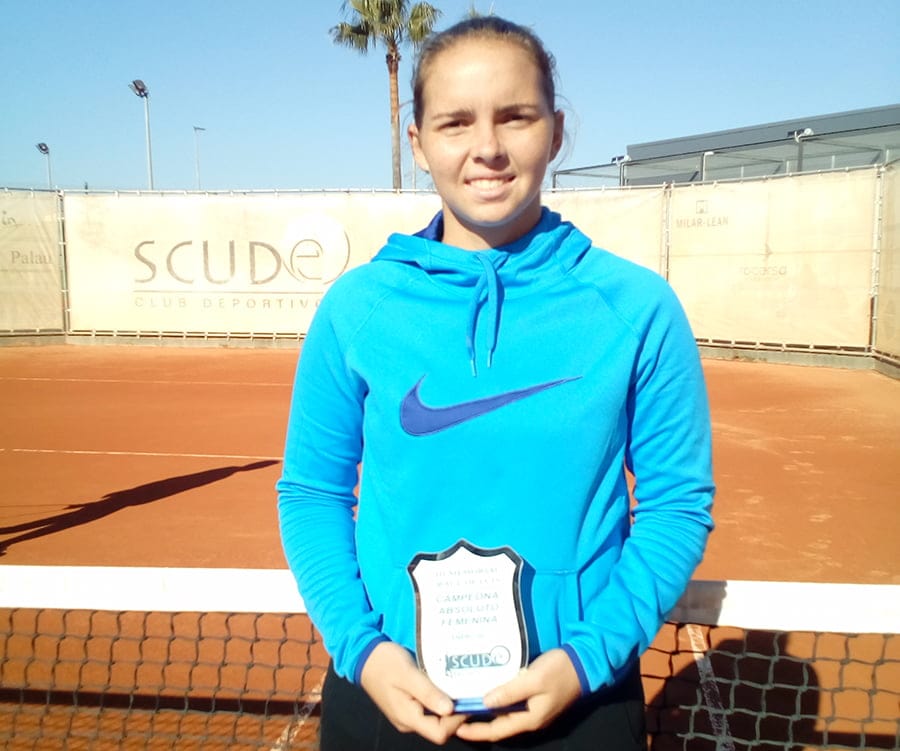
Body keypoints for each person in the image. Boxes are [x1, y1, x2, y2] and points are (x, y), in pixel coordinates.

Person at [277, 15, 714, 750]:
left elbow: (677, 504)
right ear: (417, 142)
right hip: (388, 701)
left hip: (580, 704)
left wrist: (586, 659)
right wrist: (364, 651)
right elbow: (311, 492)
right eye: (455, 122)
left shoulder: (638, 308)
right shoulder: (358, 308)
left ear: (556, 130)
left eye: (516, 116)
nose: (487, 147)